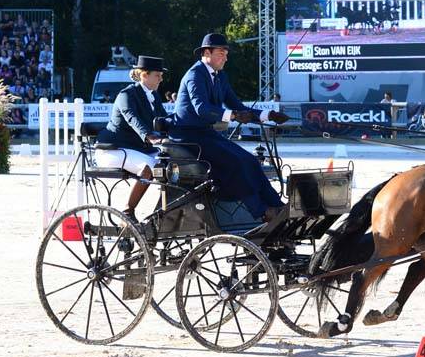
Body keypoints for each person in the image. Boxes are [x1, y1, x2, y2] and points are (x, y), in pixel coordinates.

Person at [170, 33, 290, 222]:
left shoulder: (220, 77)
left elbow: (238, 106)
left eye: (226, 54)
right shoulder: (195, 75)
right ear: (206, 53)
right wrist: (233, 115)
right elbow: (202, 109)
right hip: (187, 136)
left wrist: (269, 115)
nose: (225, 58)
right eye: (221, 53)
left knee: (250, 160)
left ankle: (278, 206)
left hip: (206, 134)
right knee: (236, 162)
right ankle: (261, 212)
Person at [95, 56, 169, 222]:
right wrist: (149, 136)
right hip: (113, 149)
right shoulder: (126, 95)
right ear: (144, 75)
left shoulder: (154, 96)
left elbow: (165, 120)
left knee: (172, 163)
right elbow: (132, 118)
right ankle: (127, 212)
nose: (161, 79)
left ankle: (165, 212)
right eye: (157, 75)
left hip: (136, 149)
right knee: (150, 167)